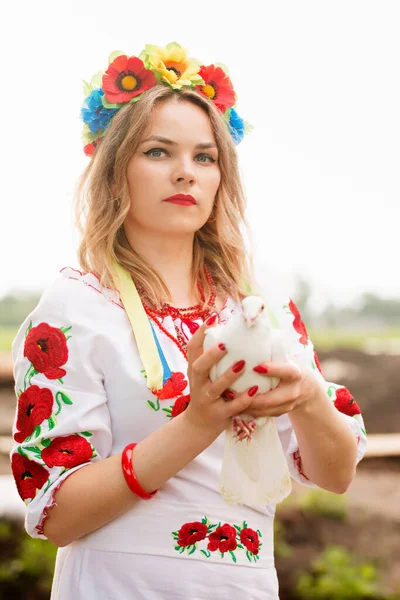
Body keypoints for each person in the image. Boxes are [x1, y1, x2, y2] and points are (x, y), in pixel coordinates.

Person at [10, 42, 367, 600]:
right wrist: (198, 422)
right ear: (113, 169)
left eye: (205, 157)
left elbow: (336, 475)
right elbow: (57, 515)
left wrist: (308, 399)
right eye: (158, 152)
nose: (186, 173)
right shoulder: (75, 309)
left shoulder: (260, 307)